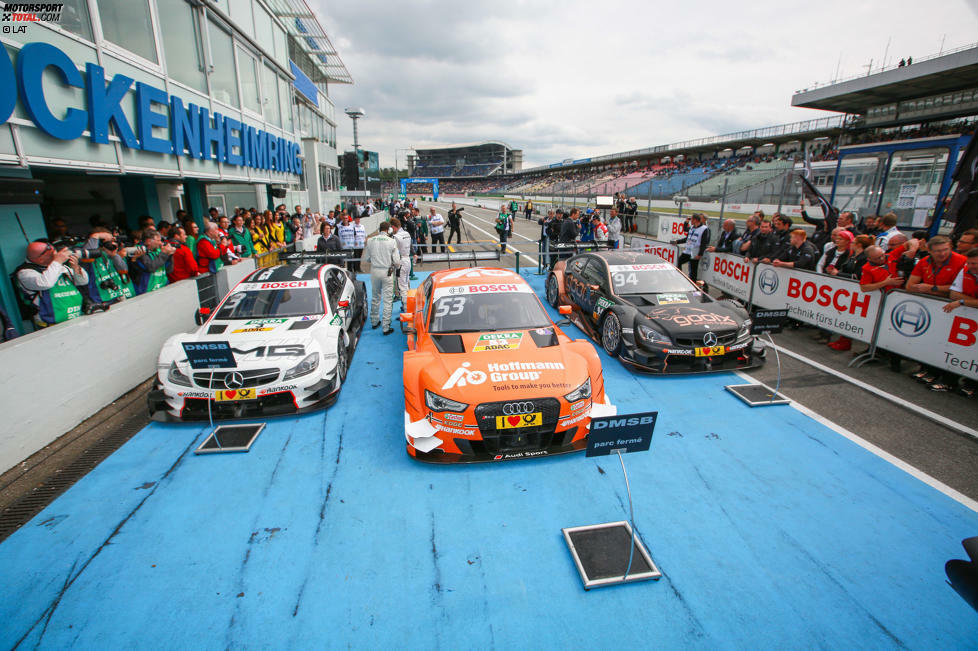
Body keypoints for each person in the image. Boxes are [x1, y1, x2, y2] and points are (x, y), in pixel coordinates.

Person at [14, 240, 104, 328]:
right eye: (50, 252)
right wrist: (57, 261)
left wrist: (75, 267)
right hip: (51, 325)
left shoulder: (58, 265)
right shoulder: (25, 273)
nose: (55, 253)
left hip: (76, 317)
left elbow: (83, 281)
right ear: (40, 259)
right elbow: (46, 283)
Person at [361, 221, 401, 335]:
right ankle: (386, 327)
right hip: (387, 271)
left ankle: (374, 321)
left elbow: (367, 259)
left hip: (374, 271)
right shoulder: (392, 241)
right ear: (388, 230)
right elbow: (397, 262)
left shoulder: (370, 240)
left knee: (375, 297)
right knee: (388, 300)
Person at [131, 230, 174, 294]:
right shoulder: (139, 250)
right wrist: (164, 254)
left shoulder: (159, 250)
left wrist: (169, 255)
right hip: (147, 291)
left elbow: (169, 270)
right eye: (158, 240)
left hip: (162, 287)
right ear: (148, 241)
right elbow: (151, 267)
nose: (161, 243)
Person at [674, 213, 709, 280]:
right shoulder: (692, 227)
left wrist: (700, 254)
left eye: (691, 219)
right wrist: (677, 242)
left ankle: (693, 284)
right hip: (687, 251)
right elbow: (687, 239)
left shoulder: (704, 229)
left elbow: (703, 243)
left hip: (695, 252)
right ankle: (680, 278)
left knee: (693, 270)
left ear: (695, 220)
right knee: (678, 261)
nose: (690, 221)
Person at [390, 217, 413, 307]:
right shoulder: (407, 233)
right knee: (407, 283)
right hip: (408, 259)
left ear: (393, 227)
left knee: (402, 286)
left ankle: (406, 308)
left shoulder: (396, 237)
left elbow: (393, 250)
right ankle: (409, 304)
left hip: (401, 261)